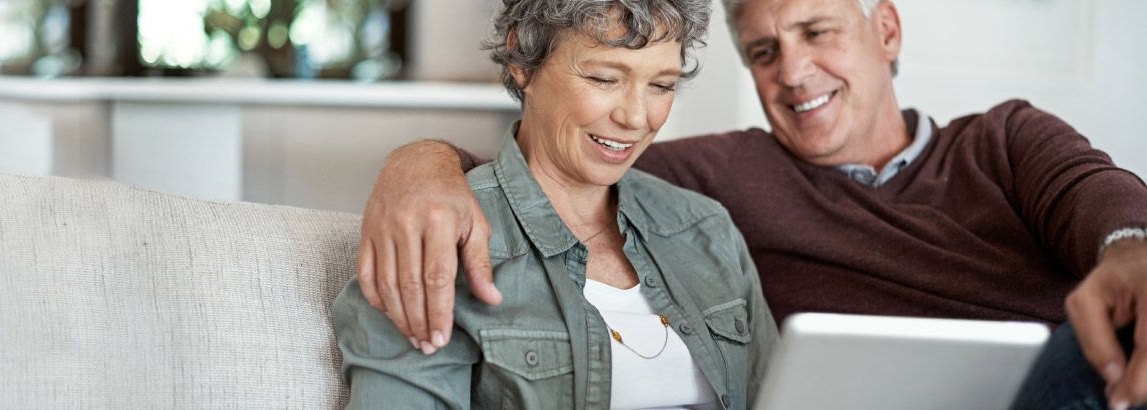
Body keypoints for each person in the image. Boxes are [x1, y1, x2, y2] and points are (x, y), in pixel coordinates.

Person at [353, 0, 1147, 408]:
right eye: (764, 51)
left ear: (887, 30)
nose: (793, 73)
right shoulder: (722, 178)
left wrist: (1131, 250)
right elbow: (553, 171)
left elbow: (1100, 202)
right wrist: (420, 164)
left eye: (817, 31)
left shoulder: (1006, 141)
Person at [333, 0, 779, 408]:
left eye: (661, 85)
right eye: (604, 78)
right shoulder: (433, 240)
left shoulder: (705, 226)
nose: (636, 117)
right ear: (523, 62)